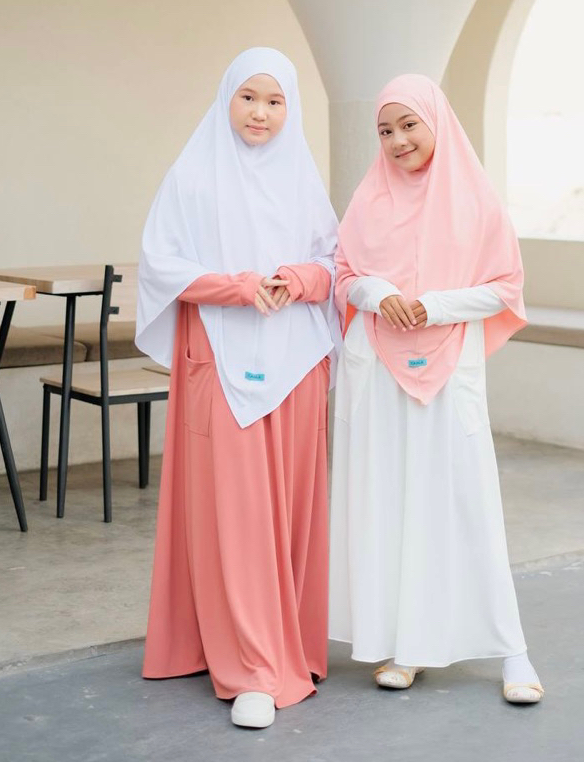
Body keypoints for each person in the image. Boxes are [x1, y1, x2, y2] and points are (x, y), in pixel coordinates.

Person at [136, 47, 339, 729]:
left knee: (286, 507)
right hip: (220, 357)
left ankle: (287, 643)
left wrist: (300, 279)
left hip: (296, 362)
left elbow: (334, 261)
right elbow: (162, 265)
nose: (261, 113)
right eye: (249, 97)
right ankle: (253, 666)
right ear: (227, 98)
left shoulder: (302, 180)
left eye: (275, 101)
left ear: (291, 109)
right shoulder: (194, 177)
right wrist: (239, 286)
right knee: (234, 508)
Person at [329, 74, 543, 704]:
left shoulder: (476, 201)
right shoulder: (368, 200)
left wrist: (433, 305)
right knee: (390, 499)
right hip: (375, 366)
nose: (398, 140)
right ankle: (408, 646)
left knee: (465, 498)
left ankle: (512, 651)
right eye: (385, 130)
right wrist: (378, 292)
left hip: (449, 365)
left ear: (436, 123)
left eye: (409, 125)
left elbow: (506, 287)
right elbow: (343, 274)